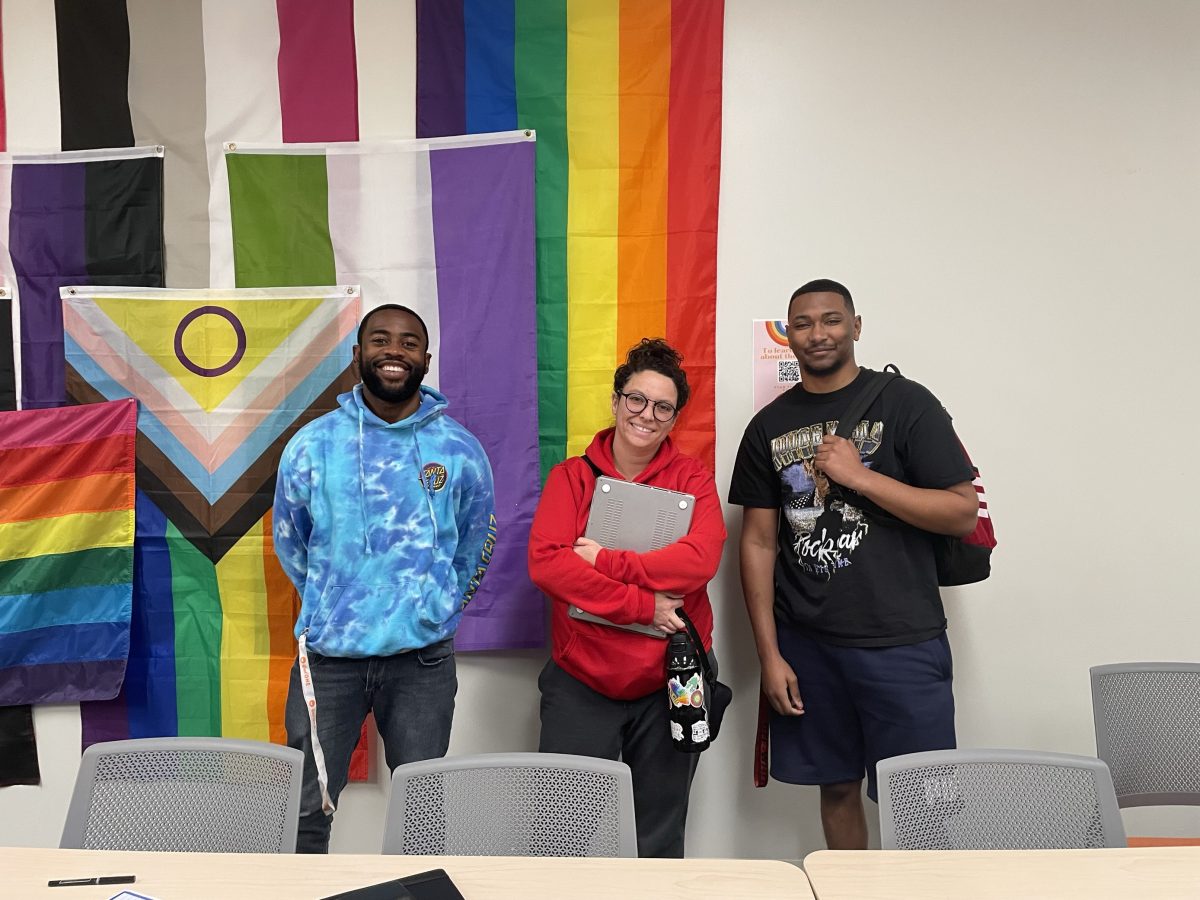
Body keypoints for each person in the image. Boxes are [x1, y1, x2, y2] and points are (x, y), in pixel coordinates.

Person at [728, 280, 978, 850]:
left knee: (925, 803)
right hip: (810, 647)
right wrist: (769, 654)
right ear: (788, 336)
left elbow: (961, 511)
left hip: (902, 642)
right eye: (803, 323)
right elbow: (759, 544)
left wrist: (858, 475)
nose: (818, 334)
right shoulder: (767, 427)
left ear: (856, 327)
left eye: (832, 320)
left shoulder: (906, 403)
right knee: (835, 788)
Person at [273, 303, 496, 853]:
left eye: (408, 342)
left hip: (421, 662)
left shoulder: (459, 451)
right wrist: (335, 604)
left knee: (423, 815)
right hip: (329, 661)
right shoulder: (311, 446)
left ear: (425, 358)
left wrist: (438, 609)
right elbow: (289, 540)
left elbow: (476, 544)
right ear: (358, 355)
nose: (394, 351)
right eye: (380, 339)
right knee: (306, 807)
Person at [528, 338, 726, 857]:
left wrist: (607, 561)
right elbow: (549, 565)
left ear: (674, 417)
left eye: (663, 407)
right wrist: (645, 606)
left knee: (657, 833)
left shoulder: (693, 479)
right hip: (582, 680)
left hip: (669, 681)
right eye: (636, 399)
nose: (646, 415)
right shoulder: (571, 478)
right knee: (565, 836)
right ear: (616, 401)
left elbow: (699, 561)